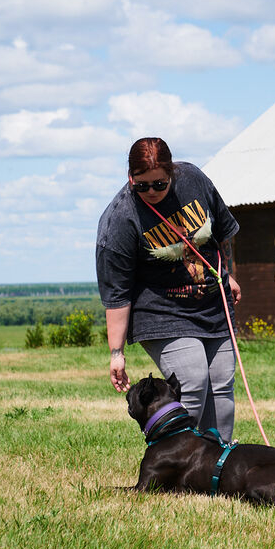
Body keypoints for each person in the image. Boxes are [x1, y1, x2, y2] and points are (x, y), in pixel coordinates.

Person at [96, 137, 241, 441]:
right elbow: (116, 294)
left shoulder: (193, 180)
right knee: (192, 379)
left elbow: (223, 231)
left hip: (212, 304)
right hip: (161, 311)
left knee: (220, 383)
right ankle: (177, 460)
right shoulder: (120, 219)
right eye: (141, 185)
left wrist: (227, 275)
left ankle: (217, 459)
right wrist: (116, 353)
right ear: (130, 178)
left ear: (172, 172)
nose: (151, 192)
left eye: (159, 184)